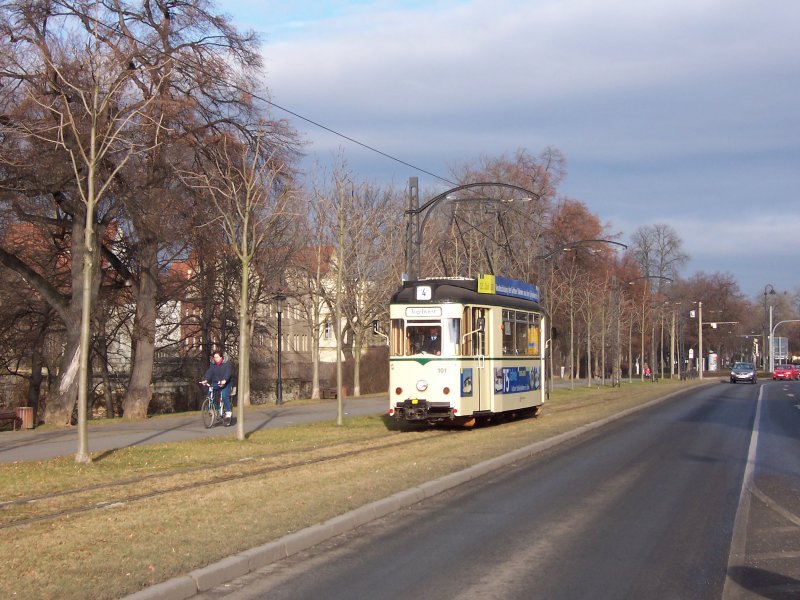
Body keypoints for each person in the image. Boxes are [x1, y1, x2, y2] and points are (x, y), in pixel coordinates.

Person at [200, 350, 233, 424]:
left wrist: (224, 380)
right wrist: (205, 380)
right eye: (214, 357)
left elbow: (228, 373)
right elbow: (209, 373)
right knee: (210, 393)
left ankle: (228, 412)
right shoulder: (213, 365)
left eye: (217, 357)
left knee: (224, 396)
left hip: (226, 384)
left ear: (221, 357)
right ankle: (214, 409)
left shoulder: (226, 364)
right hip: (216, 383)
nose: (216, 359)